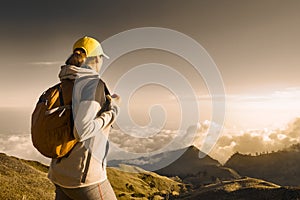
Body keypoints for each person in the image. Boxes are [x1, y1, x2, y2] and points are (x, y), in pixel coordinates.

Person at [48, 36, 120, 200]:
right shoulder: (92, 84)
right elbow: (82, 130)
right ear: (96, 58)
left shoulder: (64, 84)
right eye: (101, 58)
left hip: (60, 174)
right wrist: (113, 111)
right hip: (84, 178)